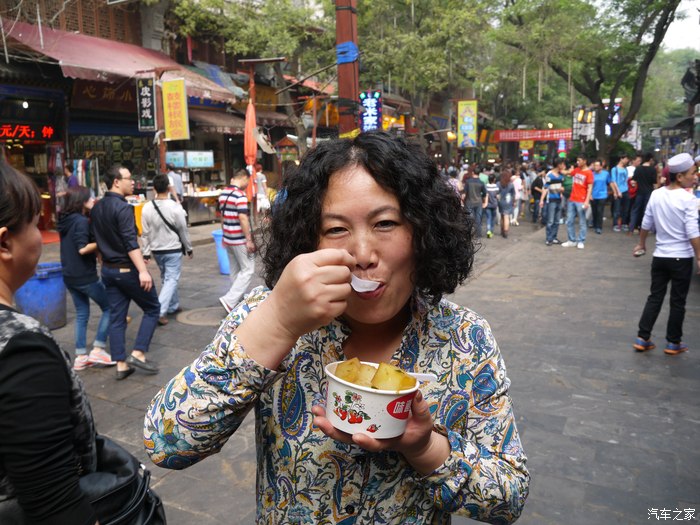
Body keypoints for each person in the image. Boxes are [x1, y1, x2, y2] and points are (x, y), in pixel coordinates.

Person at [144, 132, 529, 524]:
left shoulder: (465, 338)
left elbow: (508, 497)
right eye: (336, 229)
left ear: (423, 231)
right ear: (308, 240)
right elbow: (166, 442)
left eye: (385, 223)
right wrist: (278, 322)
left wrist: (425, 448)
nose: (362, 255)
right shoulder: (268, 314)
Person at [0, 160, 100, 523]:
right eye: (33, 223)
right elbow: (55, 502)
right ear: (5, 242)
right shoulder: (22, 351)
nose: (39, 236)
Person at [91, 164, 160, 380]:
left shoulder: (97, 207)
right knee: (152, 308)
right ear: (116, 182)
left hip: (108, 271)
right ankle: (138, 353)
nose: (133, 182)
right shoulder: (123, 208)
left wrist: (103, 262)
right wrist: (143, 271)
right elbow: (130, 242)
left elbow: (96, 241)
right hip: (126, 269)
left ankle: (121, 364)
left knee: (117, 317)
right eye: (128, 178)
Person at [632, 153, 699, 355]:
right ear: (679, 176)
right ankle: (673, 342)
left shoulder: (656, 194)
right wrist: (699, 256)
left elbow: (646, 223)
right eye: (692, 173)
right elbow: (692, 231)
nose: (695, 176)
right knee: (677, 301)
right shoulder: (688, 199)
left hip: (660, 256)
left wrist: (641, 244)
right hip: (681, 258)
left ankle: (643, 337)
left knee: (655, 297)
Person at [57, 186, 115, 370]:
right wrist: (101, 242)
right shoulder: (81, 221)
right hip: (84, 275)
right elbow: (82, 248)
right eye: (89, 198)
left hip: (69, 275)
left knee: (82, 314)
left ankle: (81, 356)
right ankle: (98, 348)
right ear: (80, 201)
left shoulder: (65, 220)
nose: (92, 200)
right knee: (110, 307)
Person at [141, 174, 193, 326]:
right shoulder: (175, 207)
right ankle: (159, 311)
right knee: (171, 279)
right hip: (172, 249)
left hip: (157, 250)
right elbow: (183, 229)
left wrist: (146, 252)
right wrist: (188, 248)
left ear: (154, 189)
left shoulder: (147, 207)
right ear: (169, 188)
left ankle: (173, 305)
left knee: (167, 278)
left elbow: (145, 233)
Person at [218, 169, 255, 313]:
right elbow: (243, 218)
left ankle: (235, 300)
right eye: (248, 181)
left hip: (228, 237)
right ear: (244, 178)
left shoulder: (223, 194)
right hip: (239, 239)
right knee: (248, 269)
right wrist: (249, 239)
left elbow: (222, 217)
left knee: (235, 270)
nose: (247, 184)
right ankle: (230, 300)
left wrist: (224, 235)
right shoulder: (240, 195)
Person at [561, 156, 593, 249]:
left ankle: (581, 241)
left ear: (584, 161)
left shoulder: (589, 173)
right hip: (572, 199)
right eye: (577, 160)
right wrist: (558, 168)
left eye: (579, 160)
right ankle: (572, 240)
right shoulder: (577, 170)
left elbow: (590, 188)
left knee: (582, 221)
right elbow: (567, 173)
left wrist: (586, 201)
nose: (577, 162)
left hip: (581, 200)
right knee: (569, 220)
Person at [628, 152, 656, 233]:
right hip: (648, 192)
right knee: (645, 211)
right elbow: (654, 182)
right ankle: (643, 229)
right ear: (650, 159)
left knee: (635, 210)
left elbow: (633, 180)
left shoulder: (638, 168)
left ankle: (631, 228)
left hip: (639, 192)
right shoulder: (652, 169)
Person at [540, 158, 565, 245]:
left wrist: (562, 191)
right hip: (551, 200)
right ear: (558, 165)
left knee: (557, 221)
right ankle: (549, 238)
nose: (564, 166)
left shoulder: (561, 175)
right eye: (562, 164)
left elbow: (562, 186)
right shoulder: (549, 175)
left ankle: (554, 237)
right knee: (550, 220)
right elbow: (545, 188)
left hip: (559, 199)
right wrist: (541, 200)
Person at [463, 168, 487, 236]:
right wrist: (484, 200)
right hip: (478, 202)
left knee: (469, 218)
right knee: (478, 218)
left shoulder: (468, 182)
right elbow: (484, 193)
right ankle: (478, 233)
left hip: (469, 202)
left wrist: (462, 201)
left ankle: (469, 233)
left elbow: (464, 193)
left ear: (473, 172)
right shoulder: (481, 182)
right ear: (479, 174)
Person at [610, 154, 630, 231]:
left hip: (626, 190)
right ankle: (615, 224)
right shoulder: (614, 169)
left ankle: (624, 223)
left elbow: (626, 179)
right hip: (619, 190)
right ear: (621, 159)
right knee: (617, 209)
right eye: (626, 159)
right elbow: (614, 181)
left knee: (625, 209)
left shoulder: (625, 169)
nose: (626, 161)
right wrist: (617, 191)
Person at [590, 159, 609, 234]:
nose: (596, 167)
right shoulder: (591, 174)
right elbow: (590, 185)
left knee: (600, 211)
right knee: (594, 211)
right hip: (594, 195)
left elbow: (609, 182)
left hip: (602, 195)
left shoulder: (606, 174)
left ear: (601, 166)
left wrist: (614, 191)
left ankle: (599, 227)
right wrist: (590, 194)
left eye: (597, 165)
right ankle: (595, 223)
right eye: (595, 165)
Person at [497, 168, 516, 238]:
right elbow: (513, 194)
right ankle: (505, 231)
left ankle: (502, 230)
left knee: (502, 216)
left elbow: (496, 192)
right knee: (506, 216)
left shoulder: (498, 184)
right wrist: (514, 202)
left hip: (501, 201)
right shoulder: (511, 184)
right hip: (508, 201)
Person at [485, 173, 499, 238]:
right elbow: (497, 196)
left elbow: (484, 194)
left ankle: (488, 230)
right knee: (493, 218)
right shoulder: (496, 186)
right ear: (494, 179)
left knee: (488, 218)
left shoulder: (486, 186)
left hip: (487, 204)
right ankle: (491, 231)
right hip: (494, 204)